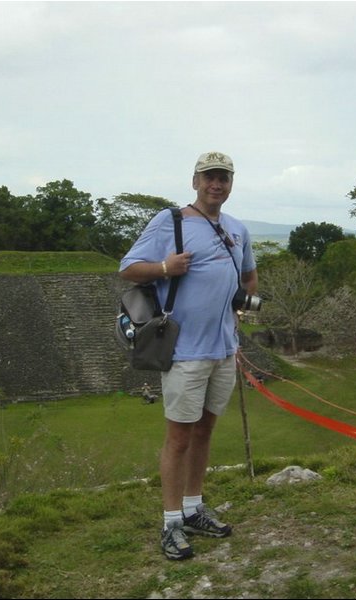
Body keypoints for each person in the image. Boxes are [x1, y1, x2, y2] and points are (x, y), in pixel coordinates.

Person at [119, 151, 258, 560]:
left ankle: (194, 507)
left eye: (224, 178)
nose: (217, 185)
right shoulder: (170, 222)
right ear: (195, 181)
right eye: (210, 177)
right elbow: (128, 268)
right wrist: (164, 266)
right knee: (178, 438)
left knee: (204, 433)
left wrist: (243, 307)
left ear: (231, 184)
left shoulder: (237, 229)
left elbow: (248, 275)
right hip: (185, 351)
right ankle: (170, 522)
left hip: (223, 348)